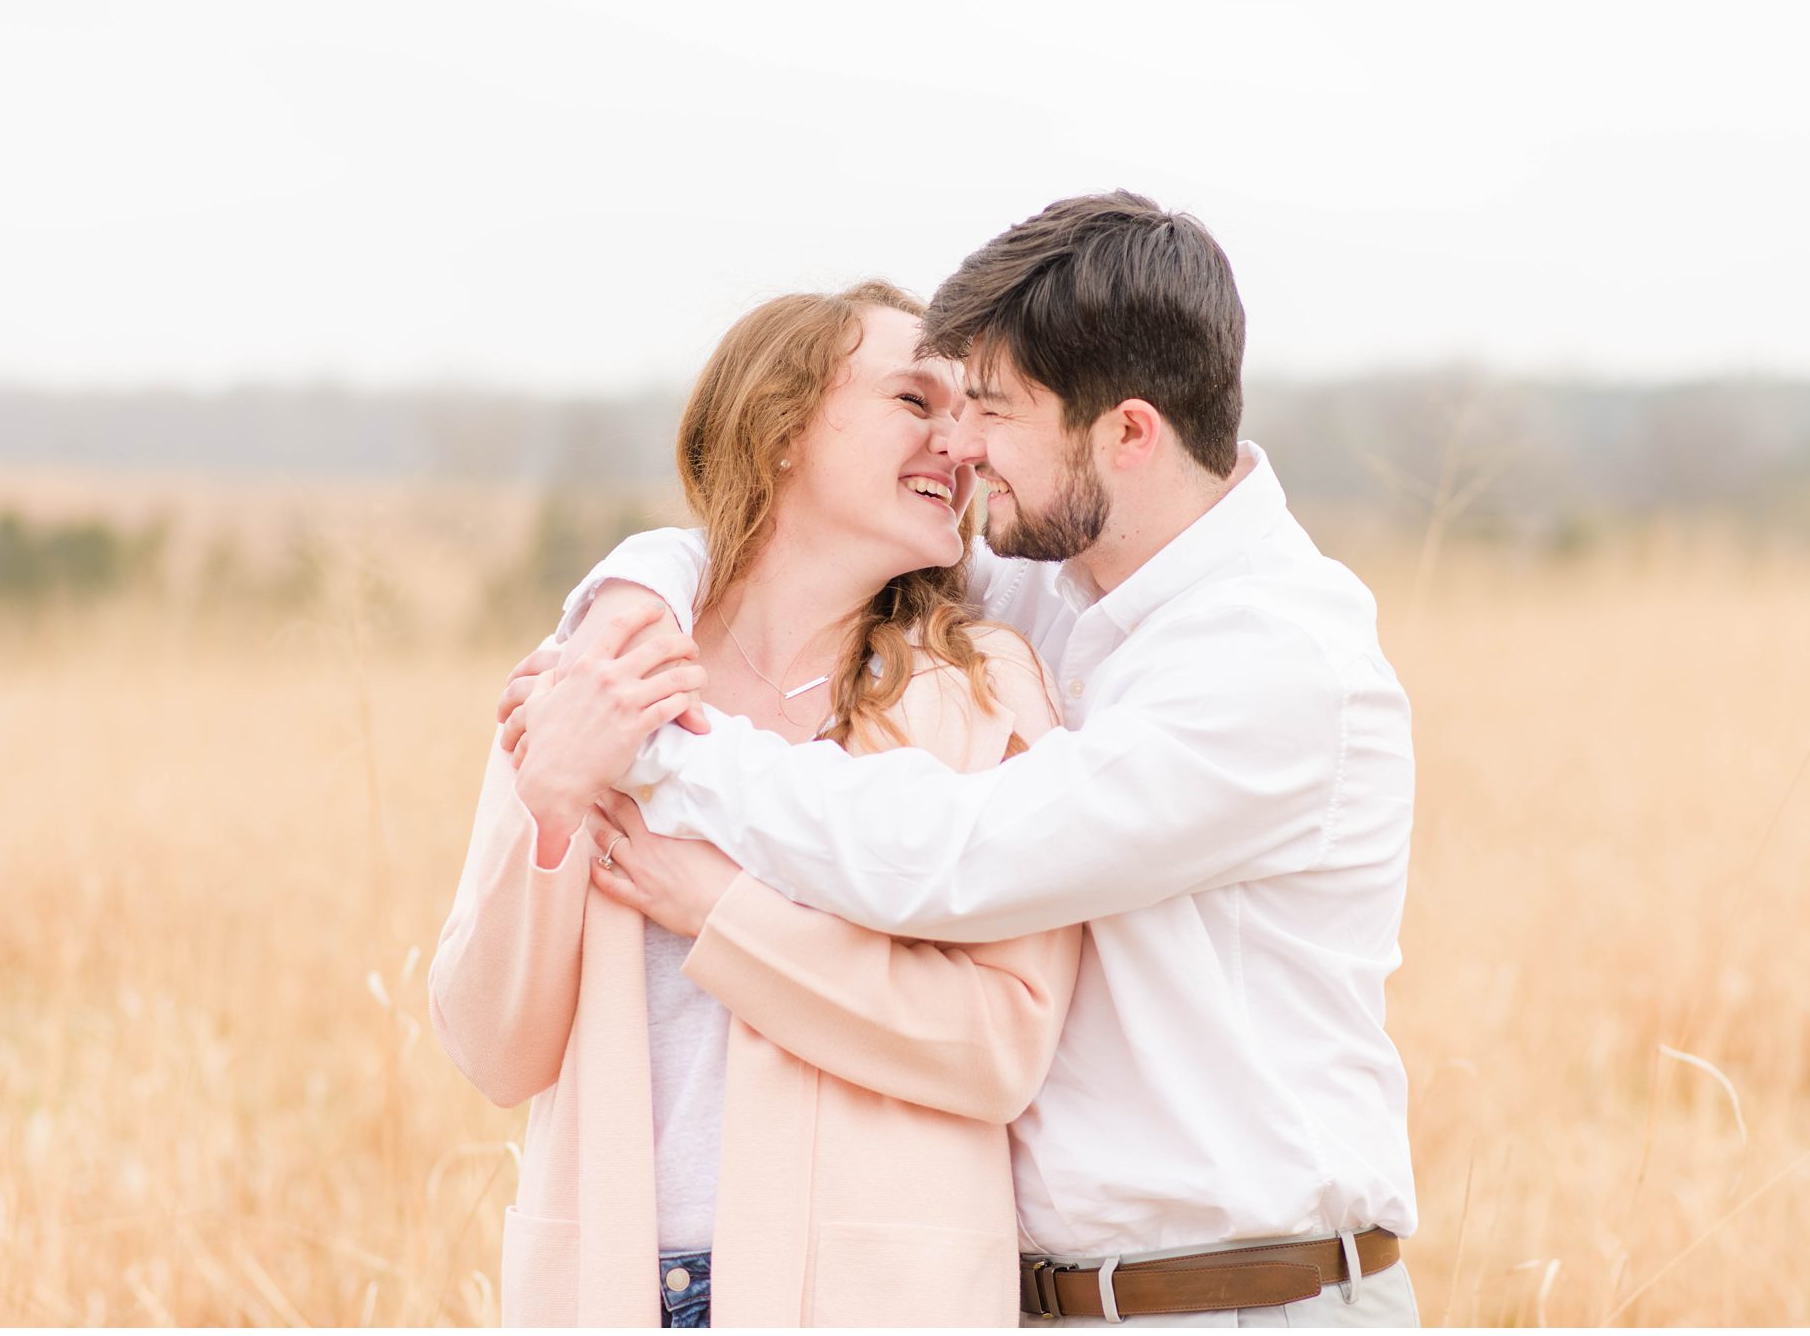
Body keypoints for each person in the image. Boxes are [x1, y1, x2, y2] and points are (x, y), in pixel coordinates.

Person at [504, 192, 1422, 1326]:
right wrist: (631, 602)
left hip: (1244, 1296)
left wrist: (658, 749)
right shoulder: (1049, 578)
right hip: (1040, 1302)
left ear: (1125, 432)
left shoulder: (1275, 662)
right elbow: (793, 544)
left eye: (992, 409)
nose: (961, 445)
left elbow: (954, 854)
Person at [428, 280, 1083, 1326]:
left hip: (872, 1301)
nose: (960, 445)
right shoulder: (590, 679)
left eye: (968, 414)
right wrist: (549, 805)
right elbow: (492, 1049)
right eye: (916, 402)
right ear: (780, 428)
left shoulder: (982, 693)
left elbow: (997, 1044)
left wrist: (719, 913)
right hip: (610, 1295)